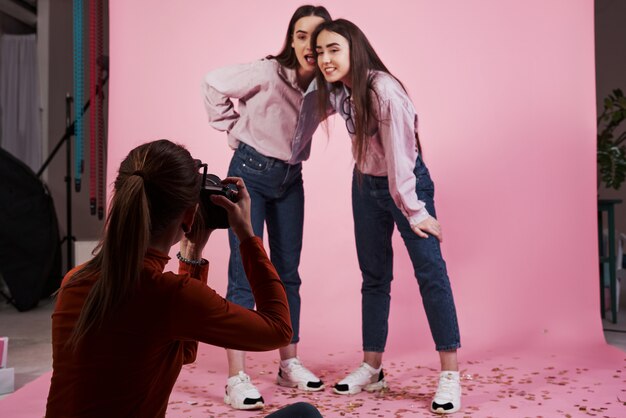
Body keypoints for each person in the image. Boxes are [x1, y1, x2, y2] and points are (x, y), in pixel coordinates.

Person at [44, 139, 321, 418]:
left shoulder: (74, 281)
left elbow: (180, 352)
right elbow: (279, 330)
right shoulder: (171, 295)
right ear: (189, 215)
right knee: (303, 415)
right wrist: (247, 235)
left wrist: (192, 256)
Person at [312, 19, 462, 414]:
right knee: (374, 277)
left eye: (334, 50)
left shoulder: (385, 93)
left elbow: (401, 161)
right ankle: (373, 368)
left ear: (354, 50)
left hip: (406, 185)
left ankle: (449, 373)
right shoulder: (341, 89)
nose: (326, 59)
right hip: (365, 184)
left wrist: (415, 210)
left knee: (431, 273)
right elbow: (304, 108)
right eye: (321, 51)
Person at [201, 5, 332, 410]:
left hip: (291, 179)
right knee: (243, 273)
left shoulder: (327, 86)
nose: (309, 45)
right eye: (301, 35)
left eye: (317, 36)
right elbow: (213, 82)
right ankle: (236, 377)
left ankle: (287, 363)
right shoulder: (267, 71)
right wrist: (231, 127)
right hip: (251, 173)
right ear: (291, 40)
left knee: (287, 272)